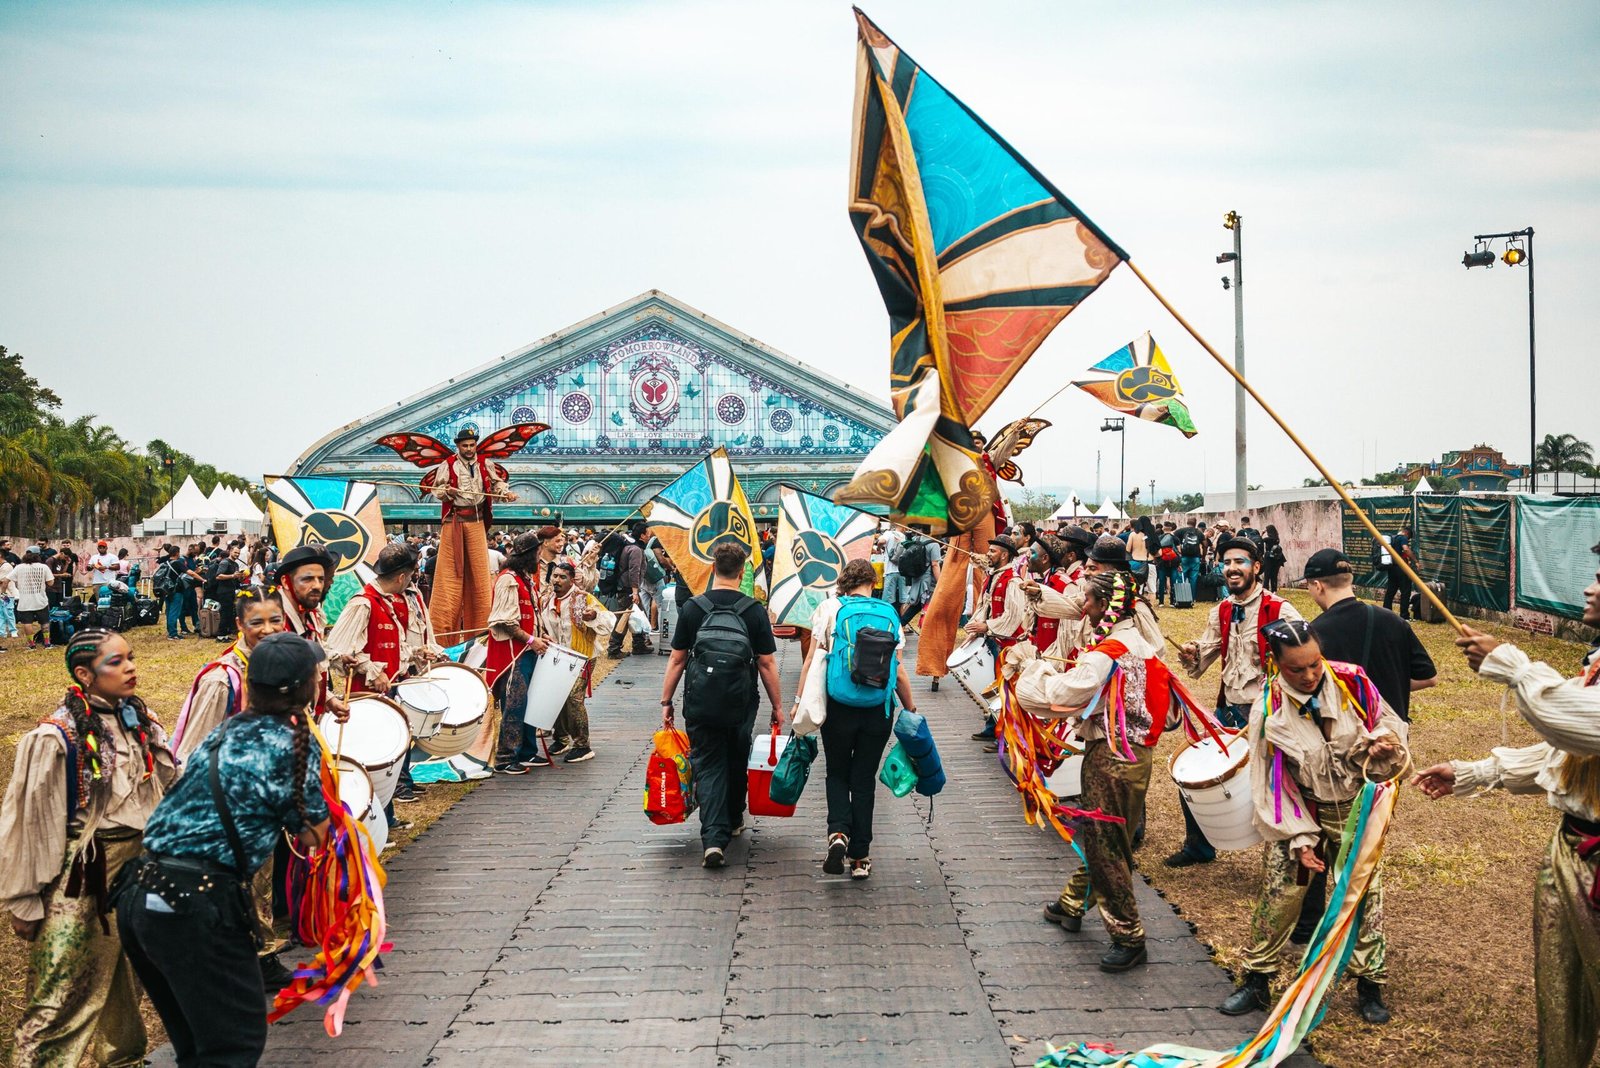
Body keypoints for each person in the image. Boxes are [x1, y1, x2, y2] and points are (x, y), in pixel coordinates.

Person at [1413, 542, 1600, 1065]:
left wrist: (1510, 664)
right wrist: (1478, 773)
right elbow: (1566, 751)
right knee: (1562, 995)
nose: (1590, 587)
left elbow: (1573, 721)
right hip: (1570, 848)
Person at [114, 632, 330, 1068]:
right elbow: (314, 836)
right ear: (303, 688)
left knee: (198, 1043)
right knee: (233, 1044)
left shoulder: (227, 730)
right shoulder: (290, 746)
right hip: (196, 902)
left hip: (140, 895)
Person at [1, 628, 177, 1066]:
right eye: (115, 662)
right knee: (63, 989)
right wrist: (24, 899)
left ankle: (123, 1057)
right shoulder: (55, 737)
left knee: (127, 976)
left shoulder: (139, 719)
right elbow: (30, 822)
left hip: (136, 867)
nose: (130, 667)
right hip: (85, 874)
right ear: (84, 673)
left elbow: (163, 785)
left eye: (130, 657)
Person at [1218, 619, 1406, 1025]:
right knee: (1279, 895)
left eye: (1315, 664)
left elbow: (1389, 722)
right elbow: (1270, 781)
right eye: (1296, 669)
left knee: (1362, 896)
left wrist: (1384, 742)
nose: (1309, 676)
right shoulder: (1268, 706)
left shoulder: (1352, 682)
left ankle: (1369, 982)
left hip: (1354, 808)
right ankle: (1256, 978)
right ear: (1275, 664)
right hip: (1301, 810)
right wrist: (1300, 838)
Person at [1036, 571, 1171, 972]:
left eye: (1089, 601)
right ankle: (1072, 902)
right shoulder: (1140, 643)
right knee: (1109, 837)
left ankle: (1129, 936)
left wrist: (1036, 674)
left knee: (1106, 842)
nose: (1084, 608)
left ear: (1105, 605)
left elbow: (1060, 695)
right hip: (1136, 753)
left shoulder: (1107, 651)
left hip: (1112, 754)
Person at [1172, 536, 1303, 867]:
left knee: (1277, 787)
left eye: (1239, 562)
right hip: (1228, 708)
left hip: (1267, 714)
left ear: (1256, 567)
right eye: (1226, 562)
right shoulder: (1222, 610)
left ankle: (1281, 859)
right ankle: (1199, 847)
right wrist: (1192, 652)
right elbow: (1208, 649)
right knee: (1195, 771)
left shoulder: (1279, 609)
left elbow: (1305, 658)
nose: (1231, 568)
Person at [659, 543, 783, 868]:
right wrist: (778, 706)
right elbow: (767, 663)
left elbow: (677, 659)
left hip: (700, 702)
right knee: (736, 756)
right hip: (740, 701)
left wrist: (666, 700)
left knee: (708, 763)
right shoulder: (753, 610)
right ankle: (734, 817)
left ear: (713, 568)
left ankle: (714, 839)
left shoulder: (694, 609)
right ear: (742, 573)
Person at [794, 559, 915, 880]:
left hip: (838, 705)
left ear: (844, 582)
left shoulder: (829, 609)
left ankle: (837, 833)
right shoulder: (889, 613)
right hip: (878, 709)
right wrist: (911, 709)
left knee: (837, 772)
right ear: (872, 583)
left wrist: (797, 702)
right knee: (863, 779)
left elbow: (811, 661)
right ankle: (860, 857)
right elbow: (899, 670)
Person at [325, 543, 446, 805]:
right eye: (411, 576)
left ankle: (395, 796)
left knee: (397, 741)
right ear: (401, 577)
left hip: (391, 687)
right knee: (377, 751)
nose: (412, 580)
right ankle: (381, 804)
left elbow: (394, 644)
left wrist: (417, 652)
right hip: (367, 694)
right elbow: (336, 650)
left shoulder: (389, 601)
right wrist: (370, 670)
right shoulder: (363, 604)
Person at [426, 426, 517, 637]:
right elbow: (436, 490)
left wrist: (506, 493)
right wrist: (446, 492)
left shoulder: (486, 463)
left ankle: (481, 634)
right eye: (465, 445)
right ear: (458, 446)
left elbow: (497, 484)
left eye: (472, 445)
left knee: (481, 581)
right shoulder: (447, 465)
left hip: (476, 522)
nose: (469, 448)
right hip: (454, 523)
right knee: (448, 579)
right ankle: (441, 635)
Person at [537, 559, 615, 763]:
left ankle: (582, 745)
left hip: (582, 656)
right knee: (556, 696)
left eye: (562, 577)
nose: (557, 580)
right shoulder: (545, 598)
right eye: (555, 576)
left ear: (572, 580)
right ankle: (561, 738)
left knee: (573, 697)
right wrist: (543, 635)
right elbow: (540, 624)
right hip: (555, 656)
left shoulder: (584, 598)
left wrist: (593, 616)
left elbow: (608, 620)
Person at [486, 531, 549, 774]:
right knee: (515, 704)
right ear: (530, 554)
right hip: (512, 654)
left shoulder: (524, 578)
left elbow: (528, 616)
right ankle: (505, 757)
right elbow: (503, 621)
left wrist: (541, 635)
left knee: (529, 704)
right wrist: (532, 639)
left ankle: (526, 752)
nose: (539, 556)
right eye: (537, 552)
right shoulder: (508, 579)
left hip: (528, 650)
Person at [964, 536, 1030, 744]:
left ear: (1004, 554)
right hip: (993, 639)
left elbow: (1013, 615)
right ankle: (993, 726)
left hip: (1008, 644)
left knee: (1006, 690)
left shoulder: (1013, 580)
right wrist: (976, 626)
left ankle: (1005, 735)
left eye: (992, 551)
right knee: (993, 686)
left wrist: (987, 626)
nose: (988, 554)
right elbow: (985, 605)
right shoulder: (993, 576)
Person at [605, 521, 650, 658]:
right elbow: (634, 571)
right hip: (628, 589)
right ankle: (613, 648)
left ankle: (639, 644)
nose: (650, 536)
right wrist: (635, 591)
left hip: (624, 587)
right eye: (648, 533)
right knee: (623, 619)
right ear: (642, 535)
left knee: (639, 614)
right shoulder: (636, 550)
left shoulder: (629, 546)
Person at [14, 547, 52, 649]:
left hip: (25, 601)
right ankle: (47, 643)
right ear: (38, 555)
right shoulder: (43, 567)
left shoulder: (19, 567)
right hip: (41, 600)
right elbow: (50, 582)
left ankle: (31, 645)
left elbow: (7, 579)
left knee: (27, 623)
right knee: (44, 622)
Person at [1380, 524, 1415, 621]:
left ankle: (1386, 613)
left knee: (1390, 592)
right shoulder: (1403, 538)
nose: (1408, 540)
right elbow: (1406, 549)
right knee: (1405, 591)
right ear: (1407, 533)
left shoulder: (1392, 538)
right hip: (1401, 568)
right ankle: (1404, 616)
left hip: (1391, 568)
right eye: (1409, 538)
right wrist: (1416, 561)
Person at [212, 543, 243, 642]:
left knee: (229, 613)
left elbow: (234, 577)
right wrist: (232, 576)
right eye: (235, 552)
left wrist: (240, 577)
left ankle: (225, 634)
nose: (237, 555)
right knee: (225, 613)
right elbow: (218, 576)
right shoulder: (225, 562)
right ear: (230, 551)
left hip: (231, 591)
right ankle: (220, 636)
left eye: (238, 553)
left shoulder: (235, 564)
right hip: (224, 592)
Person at [879, 526, 905, 611]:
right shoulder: (905, 537)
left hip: (890, 571)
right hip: (903, 572)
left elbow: (881, 541)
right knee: (903, 601)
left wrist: (879, 548)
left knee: (888, 600)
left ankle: (887, 620)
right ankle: (903, 623)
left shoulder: (888, 533)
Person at [1261, 524, 1286, 592]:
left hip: (1269, 558)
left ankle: (1265, 590)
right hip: (1277, 558)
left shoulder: (1268, 539)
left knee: (1267, 575)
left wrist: (1262, 533)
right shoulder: (1277, 539)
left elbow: (1259, 541)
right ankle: (1274, 591)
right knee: (1274, 576)